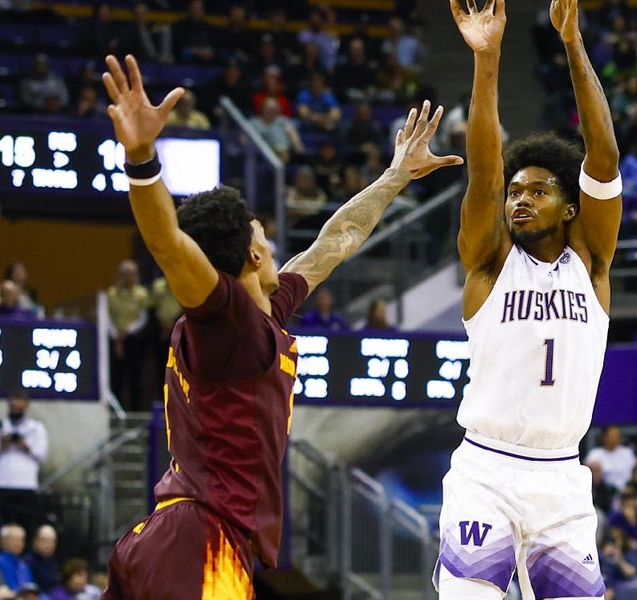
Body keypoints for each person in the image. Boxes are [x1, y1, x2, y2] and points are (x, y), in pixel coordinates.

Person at [99, 54, 461, 599]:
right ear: (250, 254)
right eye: (261, 232)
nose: (271, 240)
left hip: (174, 534)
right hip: (202, 538)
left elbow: (333, 244)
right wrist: (142, 158)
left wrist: (396, 177)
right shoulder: (226, 320)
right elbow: (169, 246)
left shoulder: (264, 311)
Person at [439, 0, 622, 596]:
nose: (520, 200)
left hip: (562, 479)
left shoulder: (590, 265)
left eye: (538, 191)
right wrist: (487, 60)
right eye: (516, 192)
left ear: (569, 207)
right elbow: (485, 174)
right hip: (485, 470)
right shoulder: (490, 265)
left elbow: (603, 157)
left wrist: (571, 43)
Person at [0, 391, 49, 533]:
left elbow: (42, 456)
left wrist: (26, 446)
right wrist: (1, 445)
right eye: (13, 400)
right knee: (3, 526)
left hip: (26, 484)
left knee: (26, 526)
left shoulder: (36, 428)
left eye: (20, 401)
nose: (16, 405)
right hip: (4, 483)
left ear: (27, 404)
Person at [107, 260, 149, 411]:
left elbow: (143, 317)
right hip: (114, 339)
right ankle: (115, 410)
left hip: (134, 340)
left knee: (135, 377)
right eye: (125, 274)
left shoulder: (142, 294)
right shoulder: (112, 293)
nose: (128, 277)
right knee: (116, 377)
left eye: (131, 274)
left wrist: (128, 331)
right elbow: (107, 316)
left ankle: (134, 411)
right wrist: (116, 335)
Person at [586, 426, 637, 491]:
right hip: (603, 492)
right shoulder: (594, 454)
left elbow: (635, 473)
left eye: (617, 436)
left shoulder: (627, 453)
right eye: (612, 436)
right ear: (604, 437)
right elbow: (586, 476)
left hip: (627, 491)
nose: (615, 438)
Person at [0, 526, 33, 593]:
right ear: (4, 541)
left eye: (21, 539)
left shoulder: (23, 563)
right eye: (14, 539)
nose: (18, 543)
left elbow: (30, 586)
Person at [24, 525, 59, 595]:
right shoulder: (27, 562)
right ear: (35, 541)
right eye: (45, 540)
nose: (49, 545)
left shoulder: (53, 561)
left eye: (52, 541)